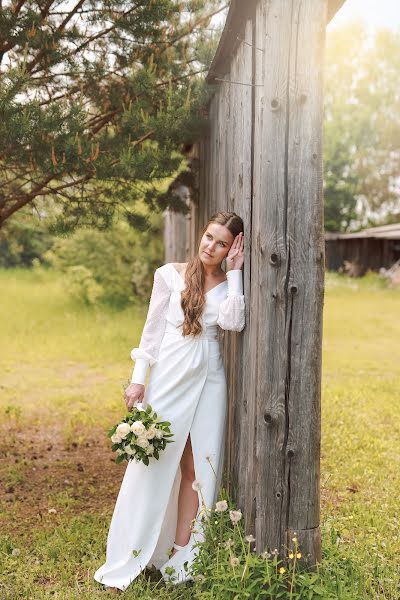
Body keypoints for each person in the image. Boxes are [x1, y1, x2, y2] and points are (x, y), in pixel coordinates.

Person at [94, 211, 246, 591]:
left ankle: (181, 560)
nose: (211, 247)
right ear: (202, 235)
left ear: (231, 249)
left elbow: (234, 323)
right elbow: (150, 333)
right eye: (209, 237)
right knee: (154, 462)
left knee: (198, 470)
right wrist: (137, 381)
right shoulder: (169, 274)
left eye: (222, 243)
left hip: (209, 378)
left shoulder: (228, 285)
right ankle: (130, 553)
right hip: (169, 375)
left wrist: (237, 271)